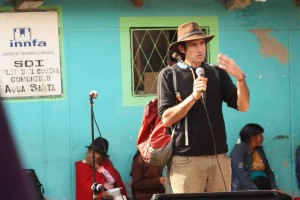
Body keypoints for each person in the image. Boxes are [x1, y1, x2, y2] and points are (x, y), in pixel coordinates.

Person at [157, 21, 250, 193]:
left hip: (219, 159)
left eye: (202, 43)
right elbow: (166, 119)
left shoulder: (217, 72)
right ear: (182, 49)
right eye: (194, 44)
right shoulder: (169, 75)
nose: (201, 49)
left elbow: (243, 106)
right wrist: (193, 97)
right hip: (186, 161)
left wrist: (241, 79)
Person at [230, 123, 292, 200]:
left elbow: (269, 172)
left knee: (286, 198)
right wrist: (256, 193)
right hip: (250, 190)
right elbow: (241, 175)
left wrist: (274, 188)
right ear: (252, 137)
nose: (263, 138)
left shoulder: (259, 150)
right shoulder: (239, 150)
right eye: (261, 135)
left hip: (265, 189)